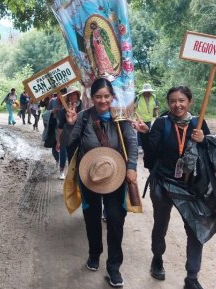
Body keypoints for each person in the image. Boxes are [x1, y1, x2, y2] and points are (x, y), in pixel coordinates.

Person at [134, 86, 211, 289]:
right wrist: (144, 135)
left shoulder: (198, 123)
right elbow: (150, 157)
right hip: (163, 184)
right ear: (168, 104)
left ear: (190, 102)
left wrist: (203, 141)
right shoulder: (161, 124)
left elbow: (210, 155)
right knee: (161, 225)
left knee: (195, 230)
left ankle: (192, 277)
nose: (177, 105)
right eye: (173, 101)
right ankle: (157, 258)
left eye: (182, 100)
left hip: (190, 187)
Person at [64, 78, 138, 288]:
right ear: (91, 97)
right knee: (92, 217)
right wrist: (69, 125)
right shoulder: (83, 117)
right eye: (98, 96)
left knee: (115, 219)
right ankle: (94, 254)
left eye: (106, 96)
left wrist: (131, 166)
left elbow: (132, 142)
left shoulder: (121, 117)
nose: (103, 100)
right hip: (90, 177)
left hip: (116, 177)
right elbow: (70, 142)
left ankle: (114, 267)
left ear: (112, 97)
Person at [56, 86, 82, 180]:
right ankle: (72, 183)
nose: (72, 96)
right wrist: (58, 141)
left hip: (83, 139)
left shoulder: (84, 107)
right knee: (72, 162)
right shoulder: (64, 110)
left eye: (74, 94)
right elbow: (60, 127)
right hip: (69, 139)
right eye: (70, 95)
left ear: (78, 95)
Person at [135, 83, 159, 152]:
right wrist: (136, 115)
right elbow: (133, 106)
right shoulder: (138, 97)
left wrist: (156, 115)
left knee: (147, 132)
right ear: (143, 91)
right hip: (140, 118)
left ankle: (145, 145)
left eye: (148, 91)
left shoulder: (154, 97)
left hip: (149, 118)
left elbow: (156, 107)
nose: (147, 93)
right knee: (139, 132)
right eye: (146, 91)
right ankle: (139, 146)